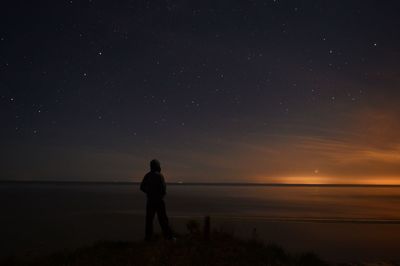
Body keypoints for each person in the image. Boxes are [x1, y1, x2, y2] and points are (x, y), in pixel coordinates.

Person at [140, 159, 173, 240]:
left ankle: (148, 238)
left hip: (150, 201)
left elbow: (142, 187)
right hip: (158, 201)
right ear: (157, 166)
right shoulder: (159, 176)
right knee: (163, 220)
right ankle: (168, 237)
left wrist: (148, 192)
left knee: (149, 220)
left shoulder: (147, 175)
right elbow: (163, 189)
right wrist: (160, 195)